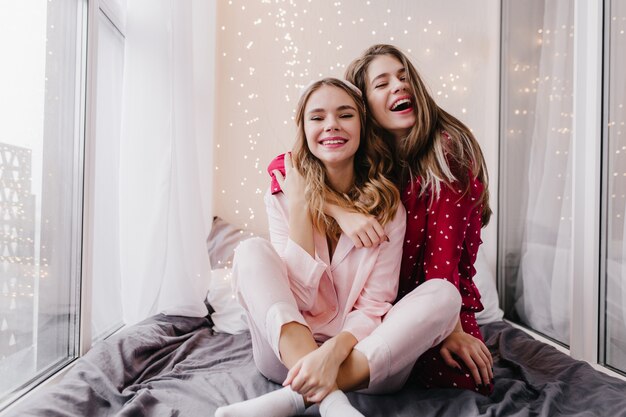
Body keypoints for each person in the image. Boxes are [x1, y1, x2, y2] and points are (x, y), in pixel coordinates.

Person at [215, 77, 461, 417]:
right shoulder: (284, 193)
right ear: (303, 128)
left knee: (445, 294)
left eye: (345, 115)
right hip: (283, 353)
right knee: (249, 251)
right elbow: (298, 299)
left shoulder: (390, 208)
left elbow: (374, 305)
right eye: (317, 117)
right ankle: (331, 402)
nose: (331, 125)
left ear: (362, 125)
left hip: (362, 357)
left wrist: (332, 353)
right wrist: (301, 207)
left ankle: (294, 398)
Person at [270, 44, 495, 396]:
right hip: (379, 304)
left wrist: (451, 326)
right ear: (366, 111)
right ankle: (320, 381)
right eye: (383, 83)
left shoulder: (445, 150)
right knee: (251, 253)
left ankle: (305, 390)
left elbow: (443, 258)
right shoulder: (373, 156)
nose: (399, 87)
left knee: (455, 375)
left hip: (422, 298)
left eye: (405, 78)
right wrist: (338, 210)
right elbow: (282, 168)